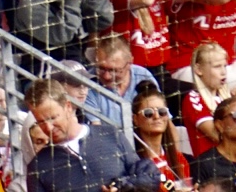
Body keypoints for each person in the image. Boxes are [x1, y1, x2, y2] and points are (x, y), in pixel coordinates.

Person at [26, 80, 157, 192]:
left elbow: (147, 178)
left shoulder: (111, 135)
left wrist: (124, 187)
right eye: (41, 122)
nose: (48, 127)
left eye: (53, 118)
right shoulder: (38, 166)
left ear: (68, 107)